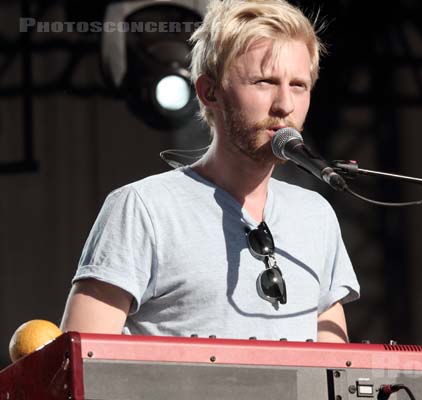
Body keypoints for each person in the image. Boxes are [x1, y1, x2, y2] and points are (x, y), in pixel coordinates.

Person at [60, 0, 360, 343]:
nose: (285, 105)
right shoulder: (143, 207)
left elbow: (336, 366)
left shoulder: (316, 215)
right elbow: (80, 363)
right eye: (264, 82)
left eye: (298, 86)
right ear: (209, 92)